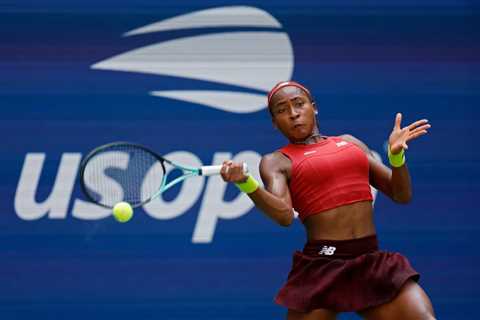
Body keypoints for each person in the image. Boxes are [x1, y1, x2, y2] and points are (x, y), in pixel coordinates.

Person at [220, 81, 436, 320]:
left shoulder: (350, 143)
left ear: (314, 107)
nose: (293, 114)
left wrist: (396, 157)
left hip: (371, 263)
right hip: (322, 267)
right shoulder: (276, 161)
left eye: (299, 104)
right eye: (282, 110)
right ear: (274, 122)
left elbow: (401, 194)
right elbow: (283, 215)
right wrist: (246, 182)